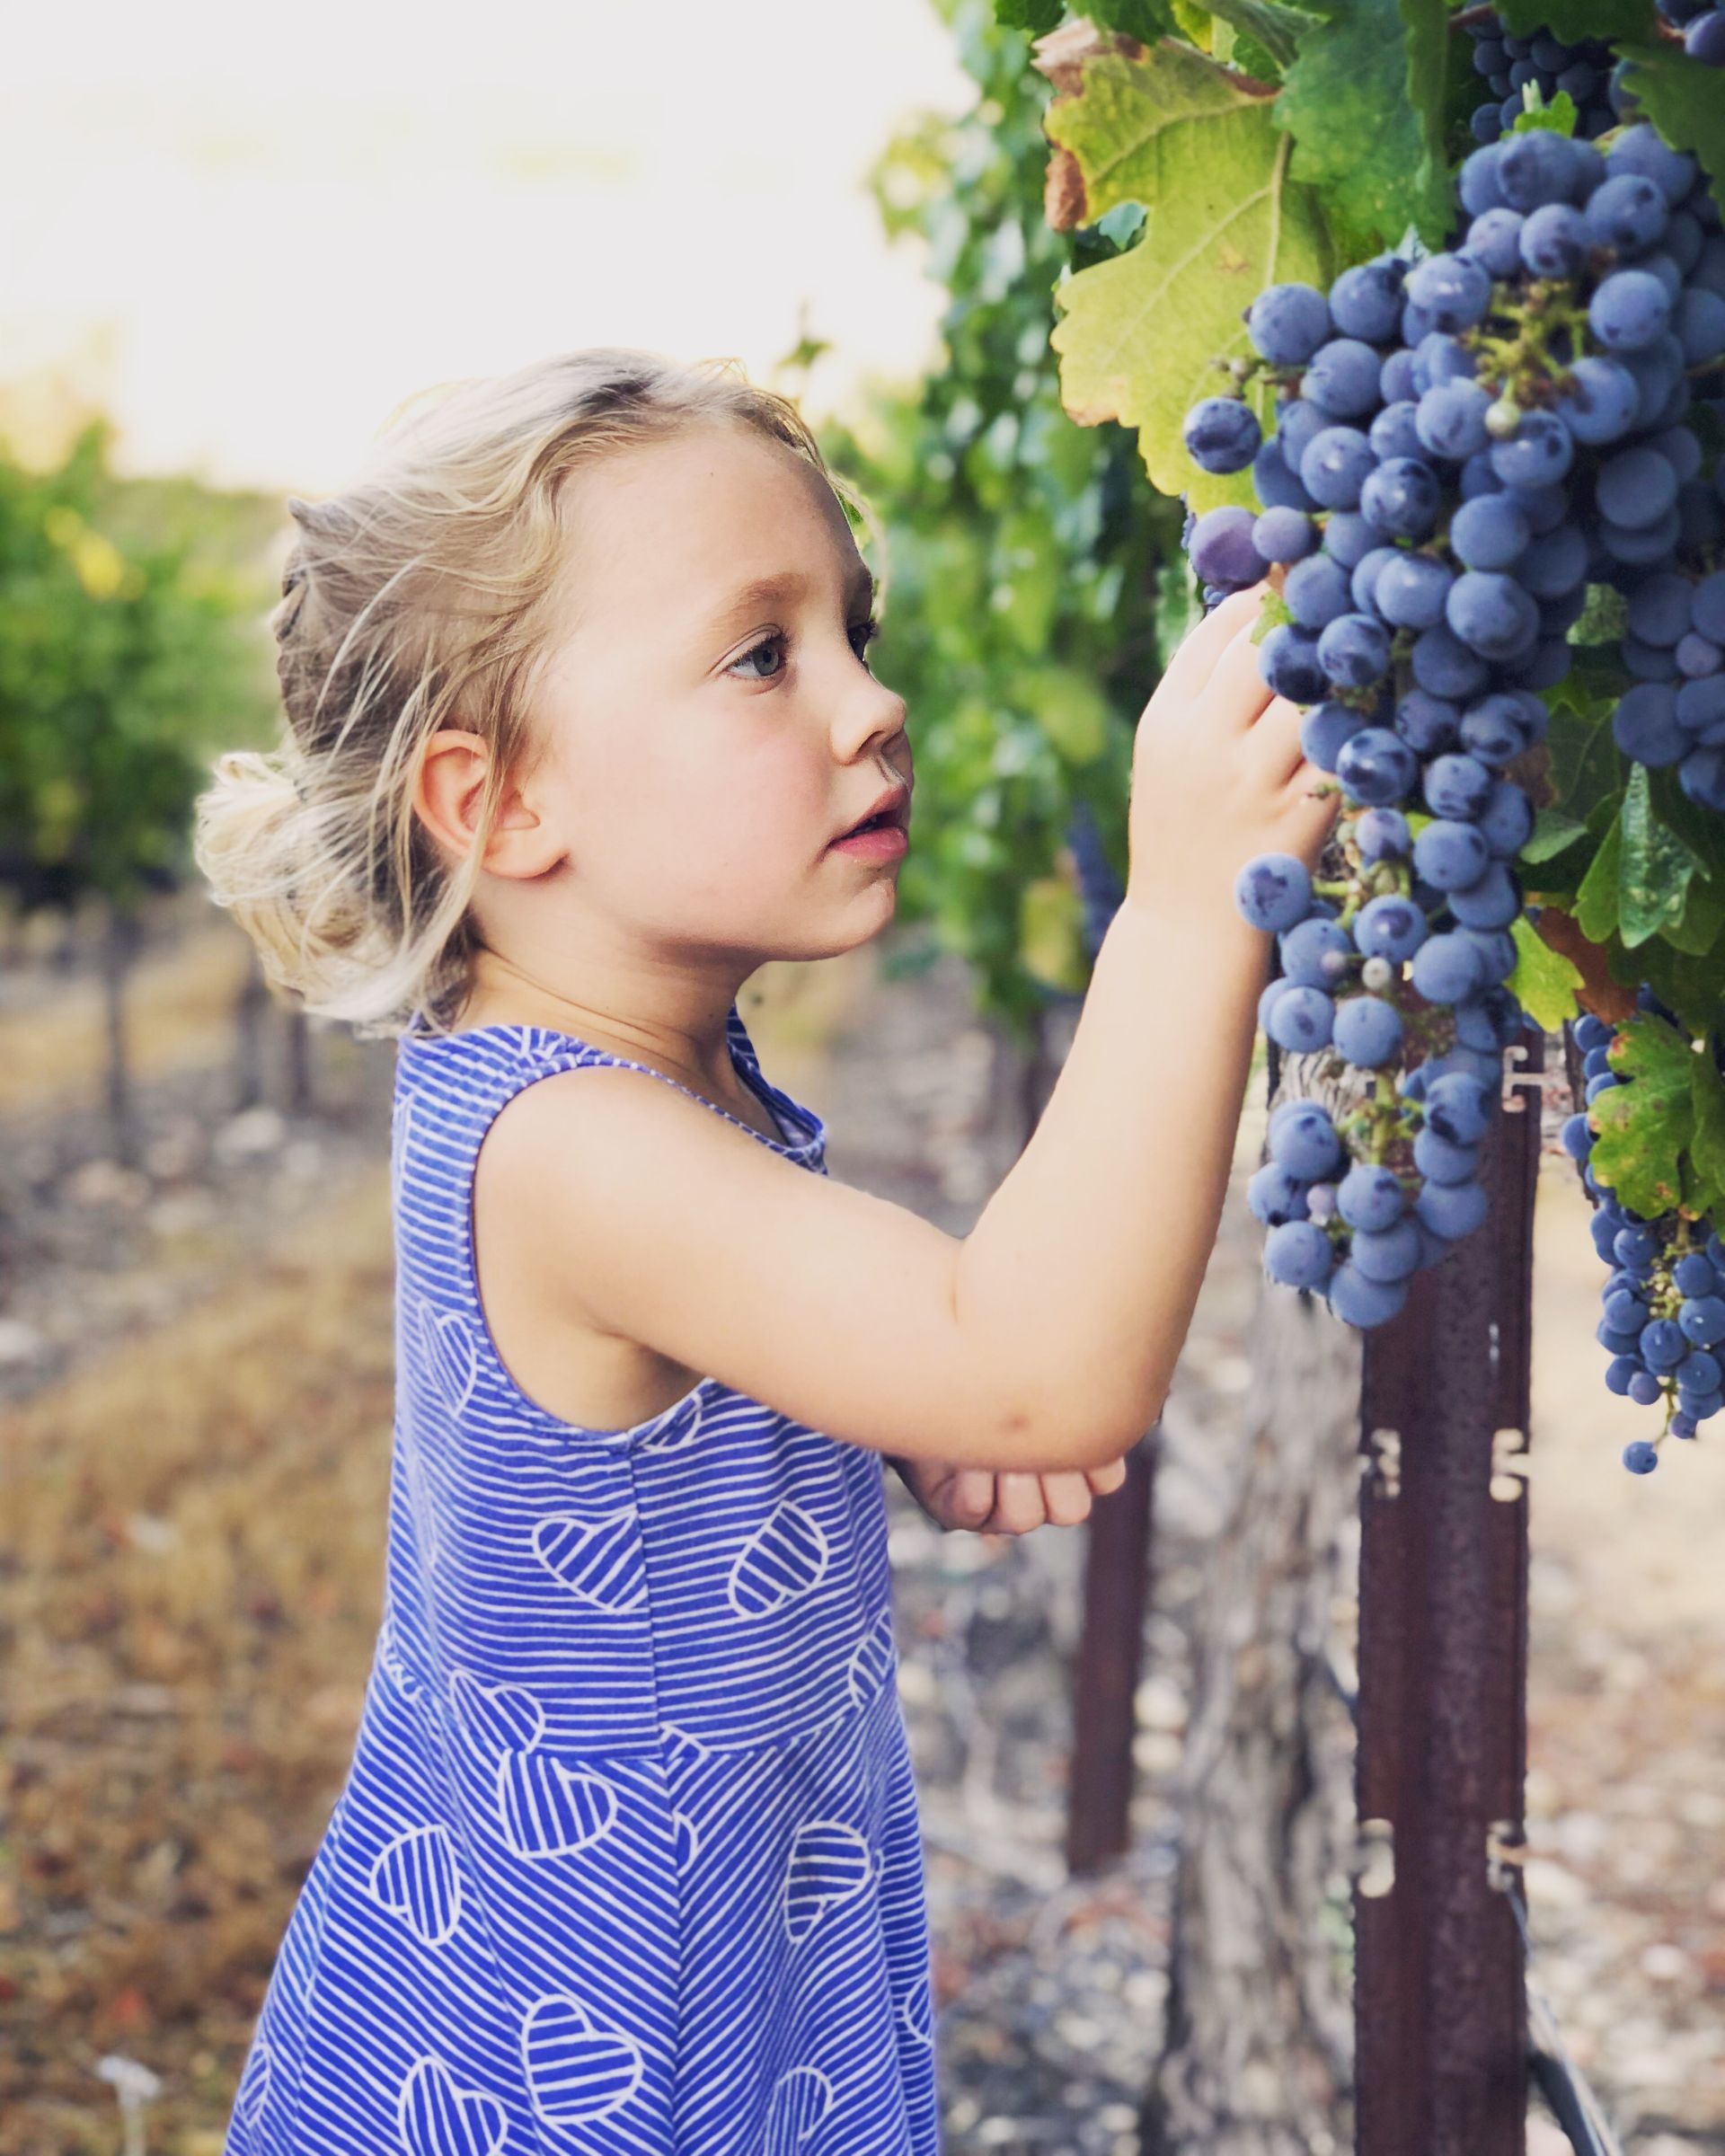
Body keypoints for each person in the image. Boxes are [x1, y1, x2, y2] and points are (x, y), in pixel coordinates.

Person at [191, 347, 1332, 2155]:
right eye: (760, 657)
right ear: (495, 807)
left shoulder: (629, 1075)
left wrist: (877, 1392)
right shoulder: (571, 1144)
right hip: (583, 2059)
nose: (868, 704)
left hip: (656, 1969)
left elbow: (784, 1363)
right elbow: (1039, 1362)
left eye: (852, 635)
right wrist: (1191, 912)